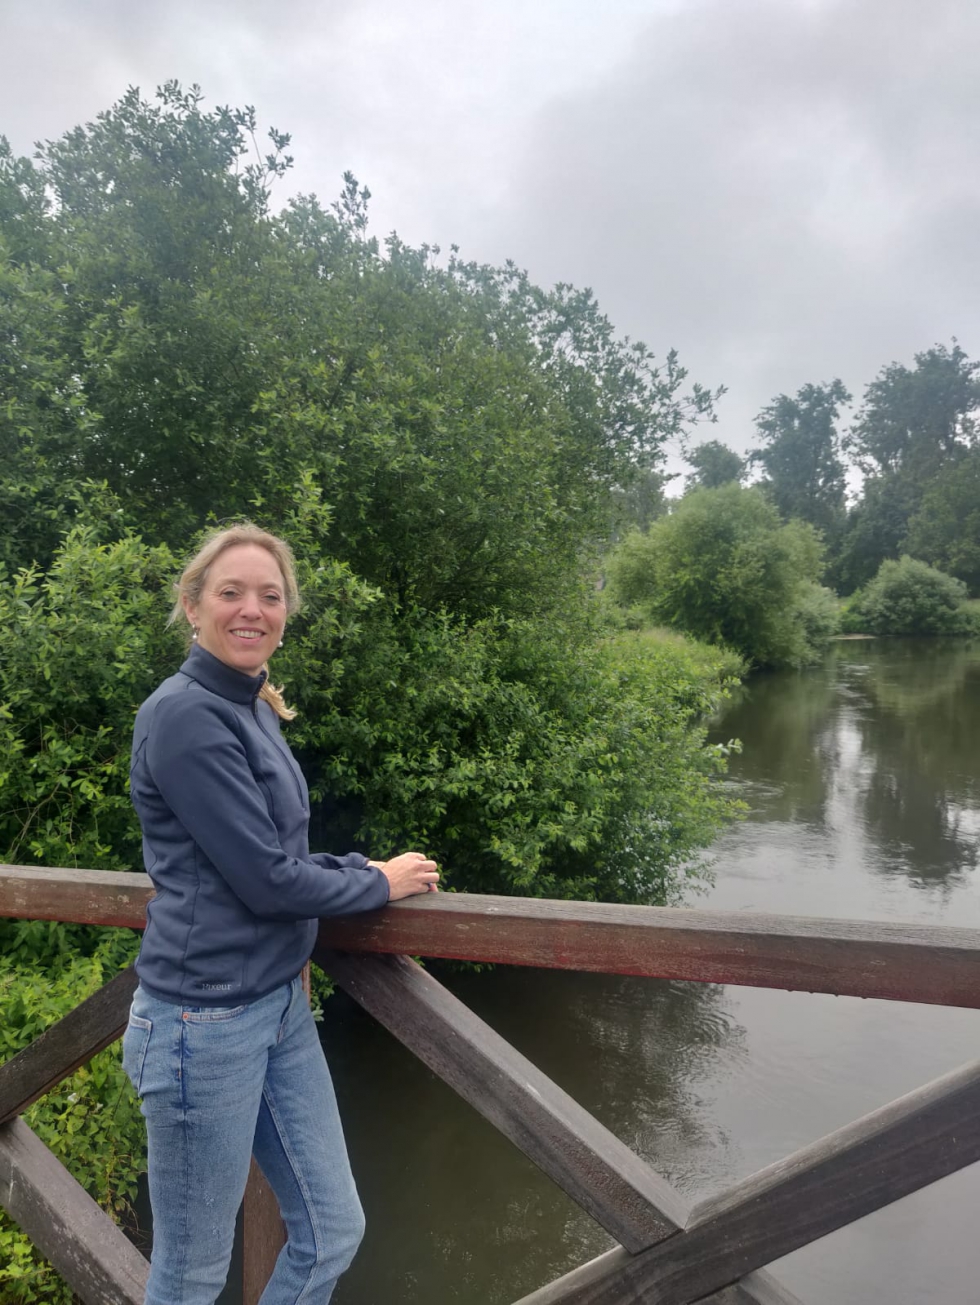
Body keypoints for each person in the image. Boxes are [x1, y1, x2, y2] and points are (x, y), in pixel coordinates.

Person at [122, 523, 438, 1305]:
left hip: (273, 1005)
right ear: (192, 605)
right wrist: (377, 886)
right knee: (192, 1274)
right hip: (203, 1025)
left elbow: (275, 852)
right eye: (231, 592)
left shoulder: (250, 700)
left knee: (332, 1229)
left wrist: (354, 867)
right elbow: (266, 881)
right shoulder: (188, 714)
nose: (252, 609)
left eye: (270, 595)